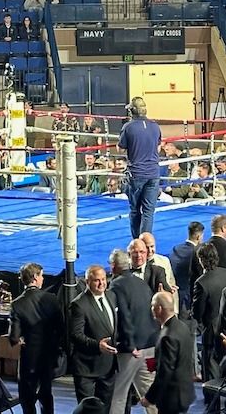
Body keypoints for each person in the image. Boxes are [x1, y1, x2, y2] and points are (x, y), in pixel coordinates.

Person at [9, 263, 63, 414]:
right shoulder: (51, 299)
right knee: (46, 396)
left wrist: (21, 340)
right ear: (35, 277)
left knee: (27, 400)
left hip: (28, 360)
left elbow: (14, 337)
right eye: (42, 275)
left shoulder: (17, 304)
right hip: (48, 357)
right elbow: (60, 328)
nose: (43, 278)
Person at [107, 250, 155, 414]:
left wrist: (129, 344)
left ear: (113, 266)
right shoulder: (142, 283)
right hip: (150, 345)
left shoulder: (116, 285)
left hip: (131, 350)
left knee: (119, 394)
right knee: (150, 393)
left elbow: (124, 316)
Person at [68, 265, 118, 413]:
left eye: (103, 279)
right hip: (86, 369)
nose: (102, 283)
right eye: (97, 280)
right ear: (87, 281)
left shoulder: (111, 296)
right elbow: (75, 335)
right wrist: (98, 345)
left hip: (108, 367)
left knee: (105, 409)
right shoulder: (78, 304)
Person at [143, 292, 194, 414]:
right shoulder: (182, 327)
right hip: (184, 392)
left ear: (159, 308)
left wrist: (149, 397)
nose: (151, 309)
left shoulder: (167, 336)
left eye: (152, 306)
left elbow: (165, 372)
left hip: (171, 398)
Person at [118, 99, 161, 239]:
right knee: (148, 211)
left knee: (135, 210)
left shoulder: (129, 127)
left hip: (137, 173)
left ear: (132, 111)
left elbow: (120, 149)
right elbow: (158, 146)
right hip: (153, 172)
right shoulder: (155, 126)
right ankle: (145, 242)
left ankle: (137, 242)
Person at [191, 242, 226, 382]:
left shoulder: (201, 283)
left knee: (210, 366)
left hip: (211, 330)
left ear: (201, 260)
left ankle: (211, 401)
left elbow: (197, 311)